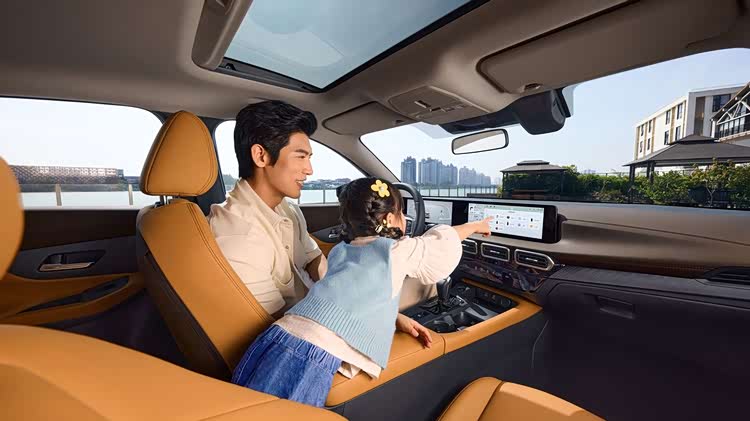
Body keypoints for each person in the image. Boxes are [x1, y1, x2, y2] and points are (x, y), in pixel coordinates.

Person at [232, 177, 492, 407]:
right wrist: (474, 226)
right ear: (389, 219)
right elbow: (440, 243)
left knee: (246, 408)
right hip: (310, 354)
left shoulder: (341, 250)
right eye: (402, 213)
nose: (405, 219)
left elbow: (347, 296)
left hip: (277, 335)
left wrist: (393, 318)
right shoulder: (397, 250)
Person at [208, 100, 327, 317]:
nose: (309, 170)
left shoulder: (288, 209)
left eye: (309, 158)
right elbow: (277, 328)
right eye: (301, 156)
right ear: (261, 156)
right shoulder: (239, 237)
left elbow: (313, 258)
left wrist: (334, 291)